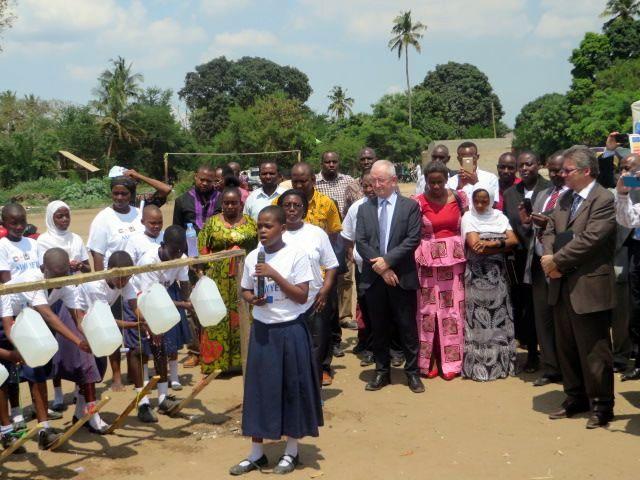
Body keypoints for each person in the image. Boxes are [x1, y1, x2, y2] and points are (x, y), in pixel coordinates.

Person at [230, 205, 320, 476]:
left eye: (268, 226)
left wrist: (274, 275)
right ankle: (256, 453)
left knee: (292, 388)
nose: (262, 230)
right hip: (263, 331)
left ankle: (291, 450)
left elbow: (302, 296)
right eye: (259, 225)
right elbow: (244, 289)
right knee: (258, 390)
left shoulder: (296, 254)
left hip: (290, 329)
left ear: (282, 227)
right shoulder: (251, 258)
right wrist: (251, 298)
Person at [541, 145, 616, 429]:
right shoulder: (564, 199)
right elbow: (548, 228)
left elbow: (590, 240)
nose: (563, 174)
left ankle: (601, 405)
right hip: (561, 286)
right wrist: (548, 258)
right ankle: (574, 397)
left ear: (586, 171)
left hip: (588, 286)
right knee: (567, 347)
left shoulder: (603, 199)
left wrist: (556, 261)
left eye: (568, 170)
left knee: (594, 351)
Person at [0, 244, 91, 449]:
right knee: (5, 378)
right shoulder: (32, 280)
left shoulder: (63, 282)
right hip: (10, 319)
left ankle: (44, 430)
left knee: (38, 373)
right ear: (44, 269)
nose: (59, 281)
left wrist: (90, 337)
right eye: (55, 276)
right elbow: (49, 316)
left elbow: (77, 316)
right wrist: (78, 341)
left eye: (64, 275)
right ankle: (7, 430)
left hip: (33, 321)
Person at [87, 175, 167, 391]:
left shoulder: (138, 214)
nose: (120, 197)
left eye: (124, 193)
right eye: (116, 193)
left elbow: (166, 192)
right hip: (111, 281)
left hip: (134, 281)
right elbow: (97, 253)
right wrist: (103, 281)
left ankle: (139, 374)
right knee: (112, 329)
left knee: (137, 335)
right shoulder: (103, 219)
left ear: (132, 195)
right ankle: (116, 376)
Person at [355, 160, 424, 393]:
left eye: (380, 180)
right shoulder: (364, 208)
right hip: (375, 279)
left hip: (402, 277)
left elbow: (413, 239)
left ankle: (413, 373)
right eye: (372, 180)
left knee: (407, 327)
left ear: (394, 181)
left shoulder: (410, 207)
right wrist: (382, 268)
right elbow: (361, 242)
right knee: (379, 327)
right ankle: (381, 372)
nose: (375, 185)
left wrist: (389, 261)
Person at [280, 162, 343, 383]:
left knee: (319, 338)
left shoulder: (324, 211)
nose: (291, 209)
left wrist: (326, 288)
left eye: (303, 180)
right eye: (287, 206)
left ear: (312, 180)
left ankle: (321, 373)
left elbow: (334, 239)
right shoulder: (275, 231)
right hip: (285, 298)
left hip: (318, 289)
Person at [413, 161, 468, 380]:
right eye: (431, 182)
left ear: (447, 179)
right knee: (427, 311)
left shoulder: (460, 198)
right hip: (427, 262)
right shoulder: (417, 202)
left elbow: (469, 223)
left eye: (440, 181)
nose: (436, 186)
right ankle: (429, 360)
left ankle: (452, 363)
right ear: (425, 181)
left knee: (452, 311)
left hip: (454, 262)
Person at [131, 226, 191, 420]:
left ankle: (163, 397)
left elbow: (184, 285)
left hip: (161, 299)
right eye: (174, 251)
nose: (178, 255)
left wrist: (189, 304)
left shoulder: (181, 258)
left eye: (182, 250)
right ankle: (143, 403)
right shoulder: (150, 261)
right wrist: (154, 327)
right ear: (163, 245)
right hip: (138, 301)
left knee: (162, 348)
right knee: (141, 351)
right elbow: (148, 298)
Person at [461, 186, 519, 381]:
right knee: (479, 320)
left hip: (498, 277)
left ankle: (500, 367)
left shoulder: (500, 216)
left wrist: (492, 244)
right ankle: (479, 367)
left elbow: (514, 240)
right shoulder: (468, 217)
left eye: (484, 200)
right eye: (476, 200)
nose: (480, 204)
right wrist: (501, 242)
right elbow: (475, 246)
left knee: (499, 319)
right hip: (477, 277)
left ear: (492, 200)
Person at [519, 151, 567, 386]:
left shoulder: (573, 198)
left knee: (563, 321)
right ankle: (550, 368)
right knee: (543, 320)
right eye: (554, 170)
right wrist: (529, 222)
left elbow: (569, 230)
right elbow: (533, 228)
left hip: (561, 266)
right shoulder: (544, 194)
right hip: (538, 264)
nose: (557, 174)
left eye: (561, 170)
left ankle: (568, 368)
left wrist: (547, 223)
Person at [198, 187, 258, 374]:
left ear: (241, 204)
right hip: (217, 280)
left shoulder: (251, 223)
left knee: (245, 318)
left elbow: (259, 248)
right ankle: (216, 365)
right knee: (216, 317)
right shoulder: (211, 223)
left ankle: (245, 362)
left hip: (245, 278)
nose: (230, 206)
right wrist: (202, 276)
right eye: (226, 203)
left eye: (234, 202)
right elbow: (202, 249)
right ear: (221, 204)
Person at [77, 252, 143, 419]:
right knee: (89, 369)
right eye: (120, 278)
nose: (123, 282)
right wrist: (134, 325)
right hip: (79, 321)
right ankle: (92, 418)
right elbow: (106, 322)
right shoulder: (96, 286)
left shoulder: (125, 281)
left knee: (93, 370)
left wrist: (149, 322)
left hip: (94, 322)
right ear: (109, 271)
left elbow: (135, 308)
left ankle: (79, 415)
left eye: (127, 278)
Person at [503, 151, 550, 373]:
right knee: (524, 307)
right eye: (521, 165)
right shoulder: (512, 193)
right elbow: (507, 225)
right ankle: (531, 352)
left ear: (538, 165)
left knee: (542, 307)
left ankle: (548, 354)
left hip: (544, 257)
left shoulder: (550, 189)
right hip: (520, 258)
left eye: (529, 164)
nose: (524, 168)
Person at [315, 151, 358, 334]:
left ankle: (345, 316)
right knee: (325, 279)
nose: (331, 165)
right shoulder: (314, 181)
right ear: (322, 163)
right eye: (327, 162)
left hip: (343, 235)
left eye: (334, 161)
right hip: (322, 237)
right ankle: (328, 316)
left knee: (346, 277)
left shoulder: (348, 180)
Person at [342, 173, 376, 365]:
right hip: (364, 266)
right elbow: (348, 236)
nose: (369, 189)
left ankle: (391, 348)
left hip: (386, 265)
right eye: (366, 186)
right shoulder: (356, 208)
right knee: (367, 306)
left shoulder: (386, 205)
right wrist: (351, 255)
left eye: (373, 185)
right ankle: (369, 347)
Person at [615, 153, 640, 380]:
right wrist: (623, 194)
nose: (628, 175)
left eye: (631, 171)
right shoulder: (633, 186)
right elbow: (628, 220)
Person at [36, 200, 90, 273]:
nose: (65, 219)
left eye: (67, 215)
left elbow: (88, 269)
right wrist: (63, 266)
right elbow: (42, 269)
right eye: (60, 216)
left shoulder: (76, 239)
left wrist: (80, 266)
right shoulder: (43, 240)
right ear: (50, 218)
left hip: (77, 283)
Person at [173, 164, 220, 234]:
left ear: (214, 180)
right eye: (202, 179)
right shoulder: (181, 201)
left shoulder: (222, 199)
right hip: (189, 243)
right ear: (196, 176)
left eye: (209, 181)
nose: (205, 183)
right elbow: (176, 229)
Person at [344, 147, 376, 213]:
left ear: (376, 160)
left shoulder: (386, 184)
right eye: (362, 159)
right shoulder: (351, 187)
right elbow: (347, 214)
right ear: (358, 162)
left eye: (369, 159)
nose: (366, 162)